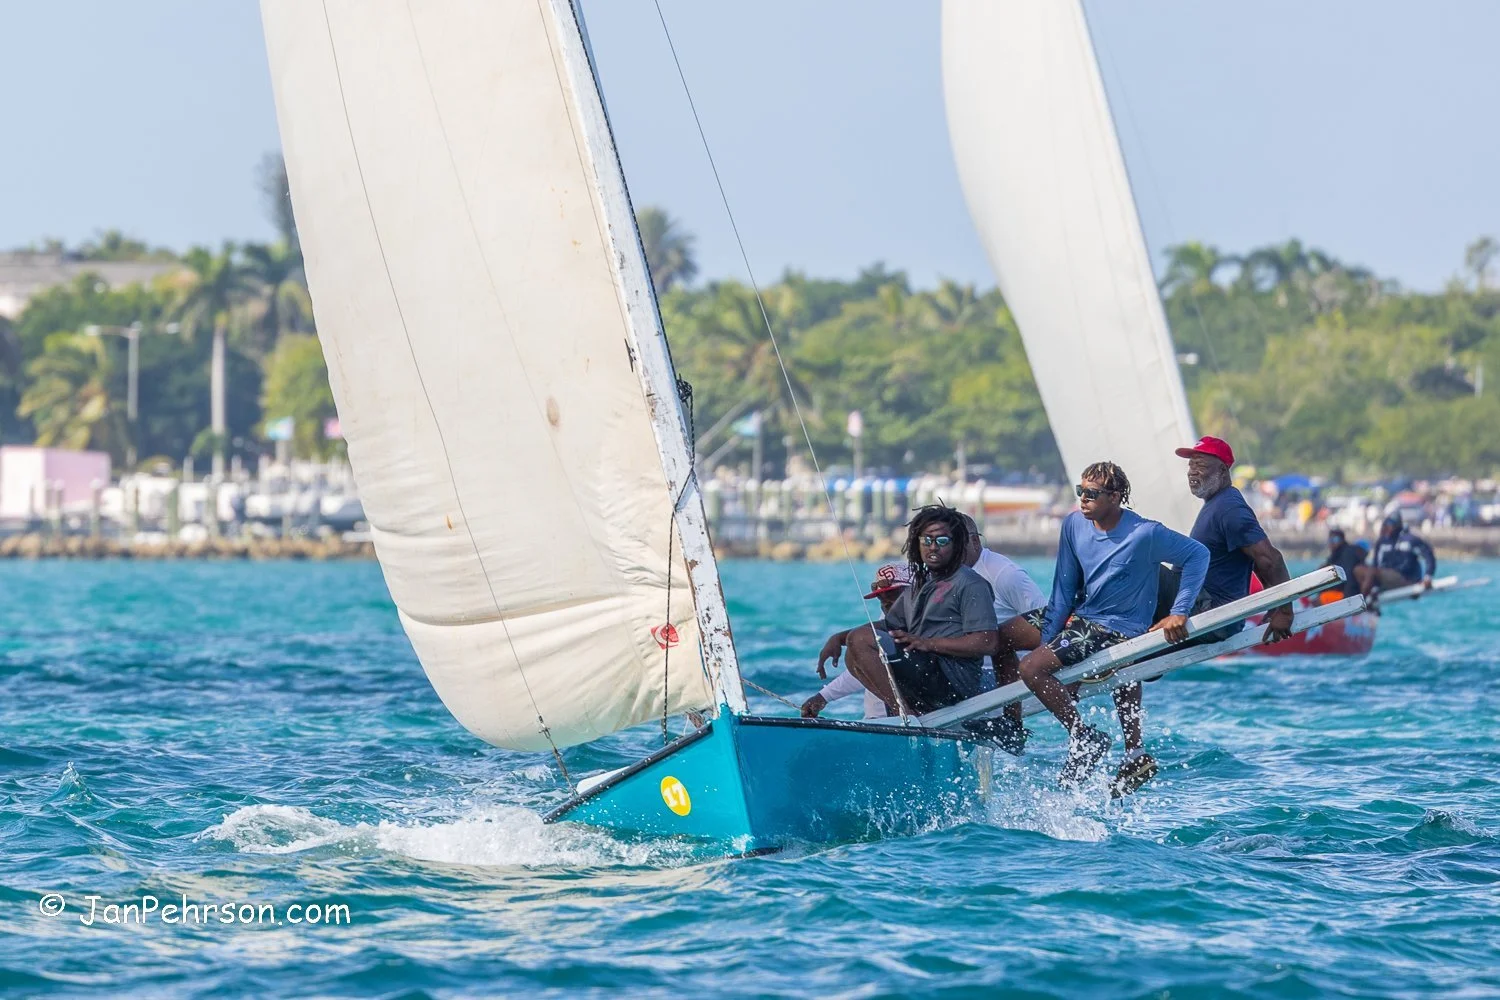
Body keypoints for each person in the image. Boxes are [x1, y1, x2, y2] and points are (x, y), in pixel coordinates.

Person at [1016, 461, 1208, 793]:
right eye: (1080, 491)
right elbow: (1063, 589)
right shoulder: (1074, 525)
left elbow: (1198, 555)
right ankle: (1006, 718)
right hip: (1084, 616)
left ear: (1115, 497)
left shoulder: (1144, 533)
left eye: (1092, 493)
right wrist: (1048, 643)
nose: (1083, 499)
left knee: (1031, 668)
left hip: (1117, 628)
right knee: (1010, 631)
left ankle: (1083, 736)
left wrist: (1180, 611)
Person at [841, 504, 999, 715]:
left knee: (861, 639)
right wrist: (840, 638)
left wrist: (927, 643)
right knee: (854, 649)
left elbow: (987, 641)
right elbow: (890, 625)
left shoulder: (970, 583)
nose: (933, 547)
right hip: (927, 670)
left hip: (954, 680)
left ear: (957, 544)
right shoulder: (923, 582)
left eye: (942, 541)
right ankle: (911, 711)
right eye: (927, 540)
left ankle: (903, 714)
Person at [1172, 436, 1295, 644]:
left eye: (1200, 465)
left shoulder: (1229, 508)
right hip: (1200, 606)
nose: (1192, 471)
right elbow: (1254, 560)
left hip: (1211, 614)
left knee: (1149, 570)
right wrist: (1272, 603)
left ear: (1222, 470)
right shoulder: (1217, 503)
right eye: (1190, 465)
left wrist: (1284, 611)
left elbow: (1269, 559)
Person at [957, 512, 1047, 752]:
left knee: (995, 637)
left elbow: (1045, 623)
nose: (949, 550)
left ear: (975, 542)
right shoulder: (941, 573)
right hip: (960, 668)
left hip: (993, 676)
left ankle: (1011, 726)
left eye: (957, 542)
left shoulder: (1006, 575)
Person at [804, 564, 912, 719]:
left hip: (901, 718)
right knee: (854, 651)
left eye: (893, 596)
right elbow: (864, 667)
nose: (887, 605)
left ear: (915, 592)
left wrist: (824, 697)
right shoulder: (889, 619)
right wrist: (823, 697)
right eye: (882, 599)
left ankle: (904, 714)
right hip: (879, 720)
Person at [1356, 512, 1435, 599]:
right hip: (1386, 577)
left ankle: (1361, 601)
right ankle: (1362, 597)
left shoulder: (1411, 540)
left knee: (1372, 572)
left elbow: (1429, 556)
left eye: (1390, 524)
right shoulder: (1382, 542)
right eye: (1386, 524)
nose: (1388, 527)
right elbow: (1375, 564)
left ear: (1398, 525)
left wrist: (1428, 577)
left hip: (1406, 579)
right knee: (1358, 570)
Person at [1322, 528, 1368, 599]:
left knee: (1322, 598)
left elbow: (1349, 576)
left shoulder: (1347, 553)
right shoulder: (1333, 557)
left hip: (1349, 595)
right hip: (1340, 592)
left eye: (1335, 539)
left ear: (1342, 540)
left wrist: (1348, 599)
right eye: (1330, 540)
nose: (1332, 542)